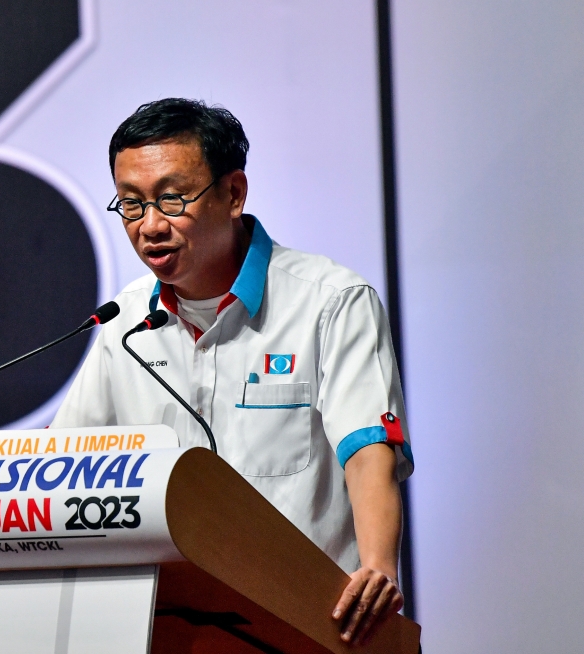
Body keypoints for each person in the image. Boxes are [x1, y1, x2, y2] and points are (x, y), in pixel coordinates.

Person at [50, 98, 414, 646]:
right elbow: (61, 465)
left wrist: (379, 566)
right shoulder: (125, 321)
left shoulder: (329, 301)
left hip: (309, 628)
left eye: (171, 199)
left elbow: (367, 451)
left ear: (234, 194)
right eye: (131, 204)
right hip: (171, 631)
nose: (150, 226)